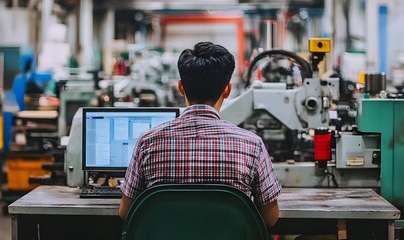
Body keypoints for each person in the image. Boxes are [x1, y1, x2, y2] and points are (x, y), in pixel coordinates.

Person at [119, 42, 282, 227]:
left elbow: (126, 213)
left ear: (181, 88)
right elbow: (270, 218)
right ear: (227, 90)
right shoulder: (253, 145)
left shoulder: (147, 142)